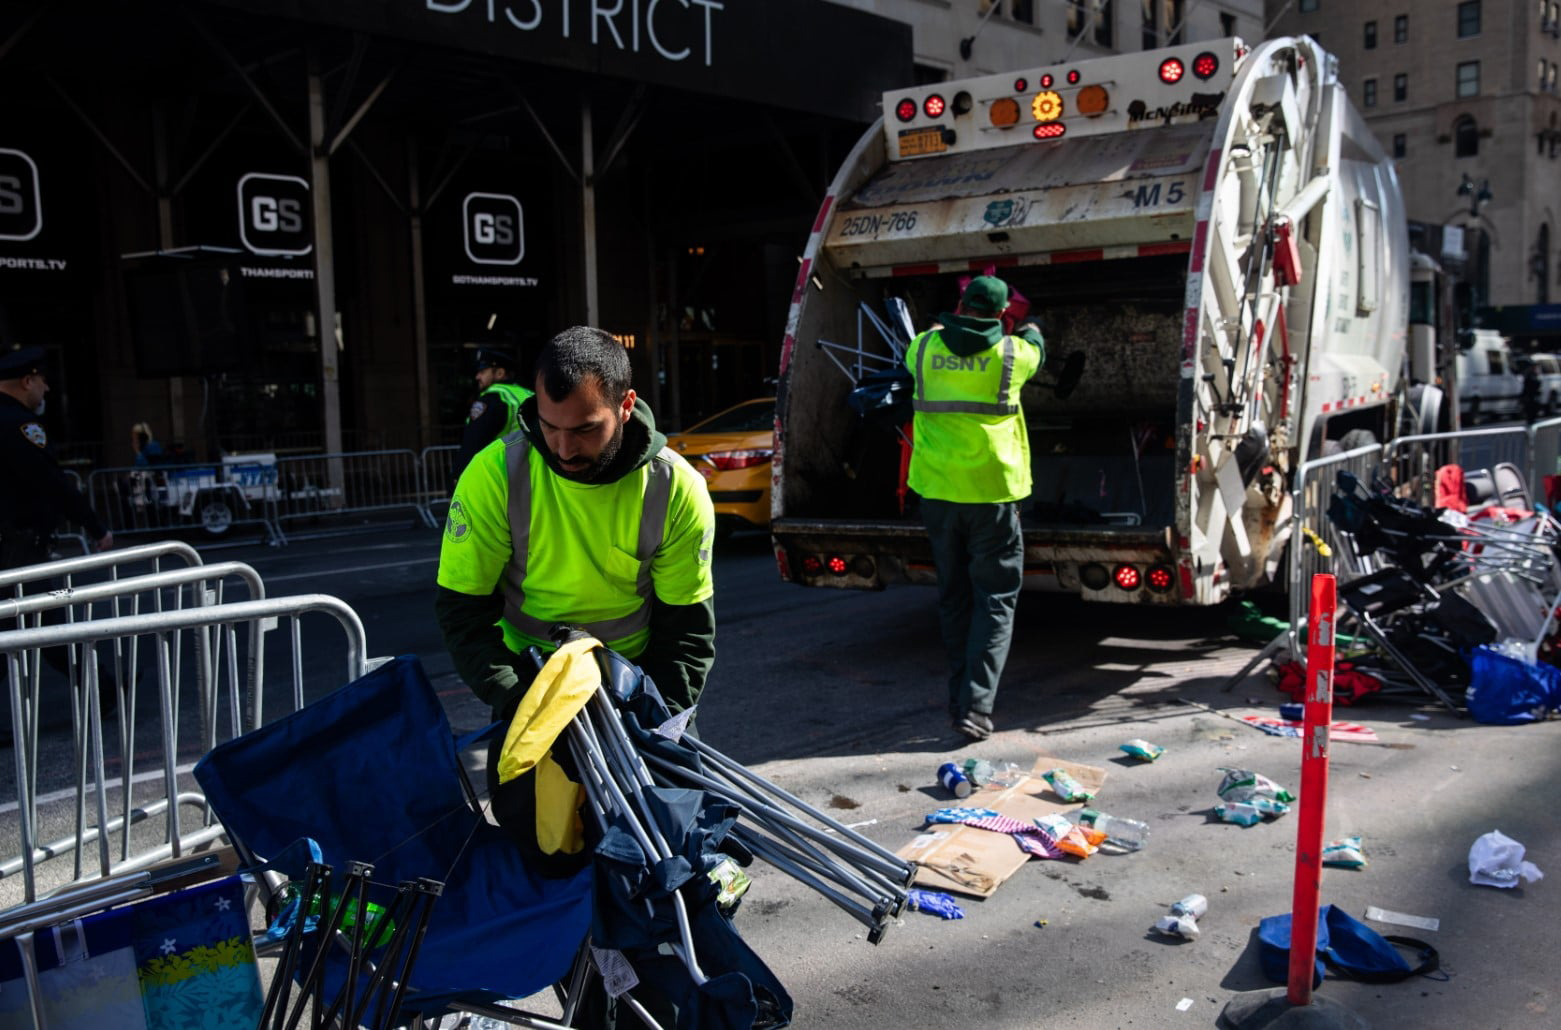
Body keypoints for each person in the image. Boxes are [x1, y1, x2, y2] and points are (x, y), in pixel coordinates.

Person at [435, 326, 716, 721]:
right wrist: (520, 702)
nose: (564, 450)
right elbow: (462, 614)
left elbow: (685, 635)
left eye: (585, 429)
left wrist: (660, 718)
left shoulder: (675, 489)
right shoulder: (493, 475)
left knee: (675, 782)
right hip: (530, 681)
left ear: (625, 405)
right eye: (550, 426)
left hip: (639, 681)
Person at [904, 276, 1045, 741]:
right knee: (996, 601)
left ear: (960, 303)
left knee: (954, 597)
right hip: (993, 496)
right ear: (1002, 315)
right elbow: (1035, 345)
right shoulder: (1013, 354)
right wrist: (1028, 329)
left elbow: (934, 346)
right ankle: (976, 708)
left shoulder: (922, 348)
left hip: (938, 494)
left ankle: (957, 699)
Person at [1, 345, 113, 566]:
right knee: (39, 600)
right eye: (42, 380)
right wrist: (95, 526)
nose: (47, 388)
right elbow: (50, 481)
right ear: (27, 382)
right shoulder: (20, 424)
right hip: (17, 547)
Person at [454, 347, 534, 479]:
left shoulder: (493, 398)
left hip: (500, 475)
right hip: (532, 472)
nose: (477, 376)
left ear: (500, 373)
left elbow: (474, 442)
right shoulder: (529, 394)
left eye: (482, 371)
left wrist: (457, 476)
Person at [1521, 359, 1541, 424]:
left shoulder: (1534, 373)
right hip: (1529, 395)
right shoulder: (1529, 374)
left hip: (1533, 394)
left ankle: (1532, 419)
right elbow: (1529, 384)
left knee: (1535, 408)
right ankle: (1530, 420)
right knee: (1530, 409)